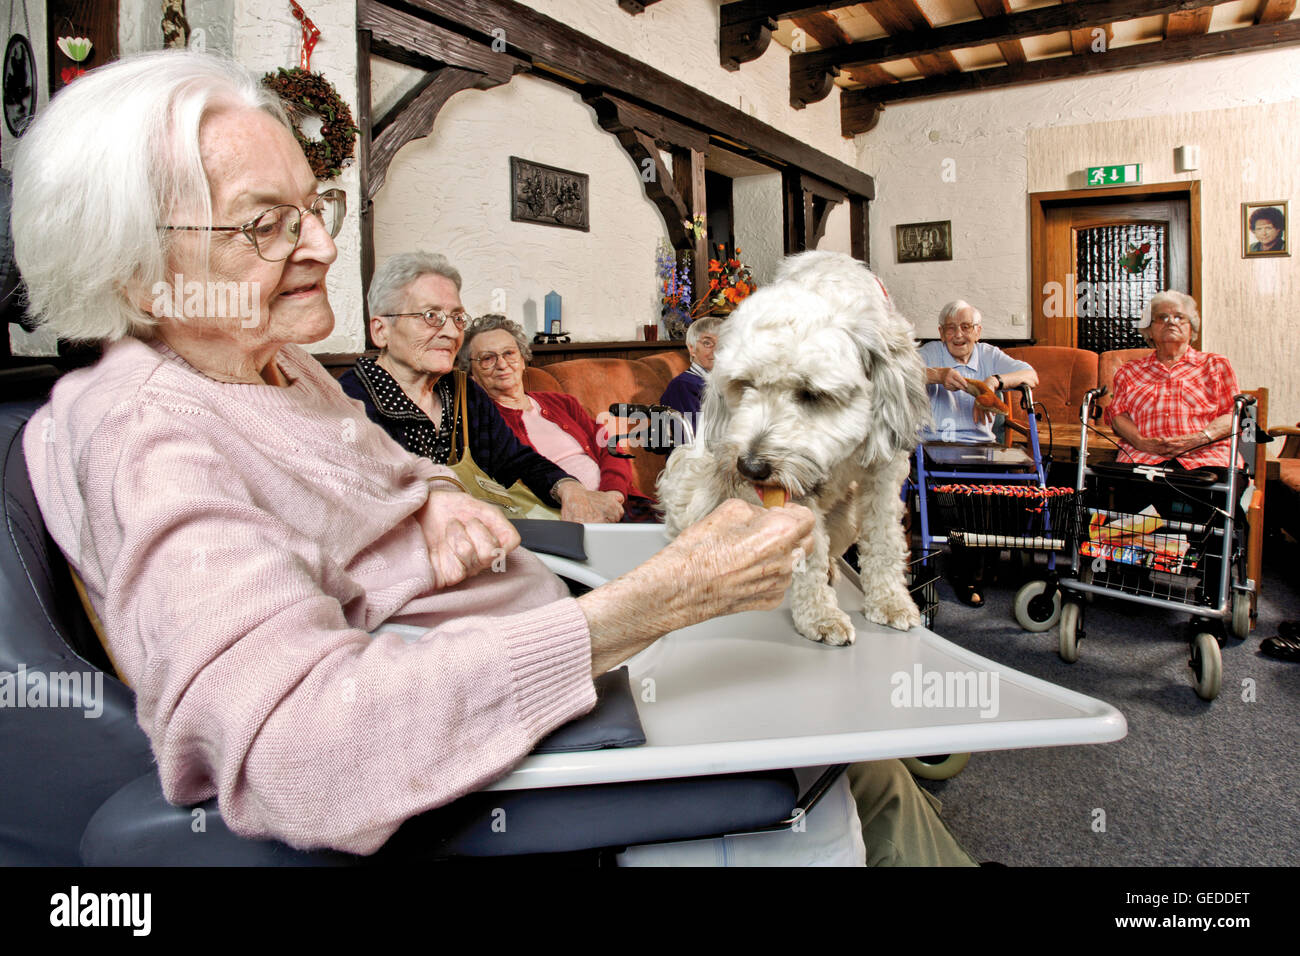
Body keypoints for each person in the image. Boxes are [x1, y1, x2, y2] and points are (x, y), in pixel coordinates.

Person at [11, 51, 978, 865]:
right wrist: (654, 602)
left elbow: (360, 474)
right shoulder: (149, 438)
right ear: (136, 266)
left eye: (316, 208)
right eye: (266, 223)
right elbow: (297, 752)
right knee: (839, 755)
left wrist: (431, 497)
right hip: (538, 757)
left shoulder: (265, 364)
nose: (316, 244)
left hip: (549, 649)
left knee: (877, 766)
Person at [339, 252, 620, 523]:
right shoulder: (349, 401)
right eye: (431, 316)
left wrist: (569, 489)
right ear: (381, 331)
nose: (451, 332)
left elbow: (515, 459)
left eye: (457, 317)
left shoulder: (462, 391)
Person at [1103, 290, 1245, 606]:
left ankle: (1211, 586)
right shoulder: (1130, 370)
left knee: (1213, 502)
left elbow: (1232, 414)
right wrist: (1139, 440)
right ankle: (1128, 577)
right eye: (1161, 318)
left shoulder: (1215, 365)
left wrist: (1200, 436)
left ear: (1192, 327)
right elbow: (1117, 414)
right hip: (1146, 453)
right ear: (1149, 330)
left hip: (1205, 455)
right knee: (1125, 491)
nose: (1170, 323)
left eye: (1178, 316)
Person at [460, 313, 657, 522]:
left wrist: (612, 495)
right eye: (487, 359)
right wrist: (585, 503)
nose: (502, 364)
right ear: (471, 372)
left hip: (622, 503)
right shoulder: (487, 424)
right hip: (567, 517)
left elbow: (612, 448)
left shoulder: (562, 403)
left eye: (509, 353)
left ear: (523, 360)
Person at [920, 300, 1039, 607]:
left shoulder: (989, 354)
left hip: (981, 448)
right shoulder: (931, 353)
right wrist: (936, 375)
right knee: (962, 499)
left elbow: (1030, 375)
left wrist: (995, 382)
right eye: (950, 328)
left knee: (1013, 490)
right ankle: (968, 576)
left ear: (978, 331)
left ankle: (986, 565)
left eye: (966, 327)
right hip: (937, 446)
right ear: (941, 332)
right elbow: (900, 374)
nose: (958, 335)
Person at [659, 315, 721, 445]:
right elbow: (690, 441)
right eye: (707, 343)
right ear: (691, 348)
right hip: (695, 461)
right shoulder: (683, 386)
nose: (716, 351)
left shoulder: (727, 384)